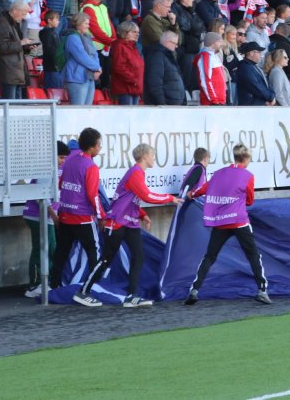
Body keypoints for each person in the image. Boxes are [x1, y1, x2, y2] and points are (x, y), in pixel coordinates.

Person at [81, 143, 181, 307]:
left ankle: (131, 296)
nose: (154, 158)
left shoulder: (138, 173)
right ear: (145, 156)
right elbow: (147, 196)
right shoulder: (135, 173)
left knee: (139, 257)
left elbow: (129, 198)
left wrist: (142, 214)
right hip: (117, 222)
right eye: (152, 155)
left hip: (130, 223)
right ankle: (83, 291)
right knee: (106, 259)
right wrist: (171, 198)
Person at [184, 144, 272, 306]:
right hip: (239, 221)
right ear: (246, 159)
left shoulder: (219, 173)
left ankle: (194, 290)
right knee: (253, 255)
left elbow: (202, 189)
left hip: (221, 222)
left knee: (210, 256)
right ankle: (262, 290)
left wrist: (191, 194)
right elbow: (250, 201)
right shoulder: (248, 176)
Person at [51, 128, 106, 306]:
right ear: (92, 146)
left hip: (65, 215)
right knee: (95, 254)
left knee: (61, 253)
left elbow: (61, 184)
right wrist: (101, 216)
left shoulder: (69, 161)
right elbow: (93, 195)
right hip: (83, 218)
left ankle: (53, 287)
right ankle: (89, 290)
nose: (100, 148)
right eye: (99, 144)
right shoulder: (91, 166)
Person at [23, 141, 68, 299]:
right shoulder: (47, 170)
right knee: (42, 248)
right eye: (61, 157)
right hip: (37, 215)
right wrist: (54, 215)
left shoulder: (55, 170)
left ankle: (46, 281)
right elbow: (40, 196)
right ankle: (35, 285)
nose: (63, 161)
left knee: (49, 247)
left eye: (64, 158)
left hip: (44, 216)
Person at [0, 0, 33, 99]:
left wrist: (26, 47)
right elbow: (0, 47)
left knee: (16, 105)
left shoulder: (12, 23)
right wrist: (21, 43)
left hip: (15, 72)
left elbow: (15, 45)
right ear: (15, 10)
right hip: (8, 71)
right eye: (23, 14)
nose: (24, 17)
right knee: (10, 104)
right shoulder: (3, 23)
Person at [62, 13, 102, 105]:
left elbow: (95, 54)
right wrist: (97, 68)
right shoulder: (72, 37)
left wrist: (98, 68)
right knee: (78, 108)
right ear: (78, 24)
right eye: (86, 23)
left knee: (87, 109)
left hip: (89, 77)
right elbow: (82, 56)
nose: (88, 26)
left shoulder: (87, 37)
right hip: (77, 78)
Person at [109, 20, 144, 105]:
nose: (137, 34)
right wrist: (133, 80)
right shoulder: (119, 46)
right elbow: (119, 67)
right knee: (127, 112)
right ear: (125, 32)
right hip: (125, 88)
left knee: (134, 112)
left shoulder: (133, 47)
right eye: (134, 32)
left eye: (138, 32)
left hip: (135, 87)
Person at [235, 40, 274, 105]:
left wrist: (272, 96)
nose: (260, 55)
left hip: (257, 104)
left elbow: (264, 84)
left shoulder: (253, 66)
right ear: (251, 53)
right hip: (250, 106)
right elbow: (255, 86)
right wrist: (270, 97)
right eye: (259, 52)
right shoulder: (245, 67)